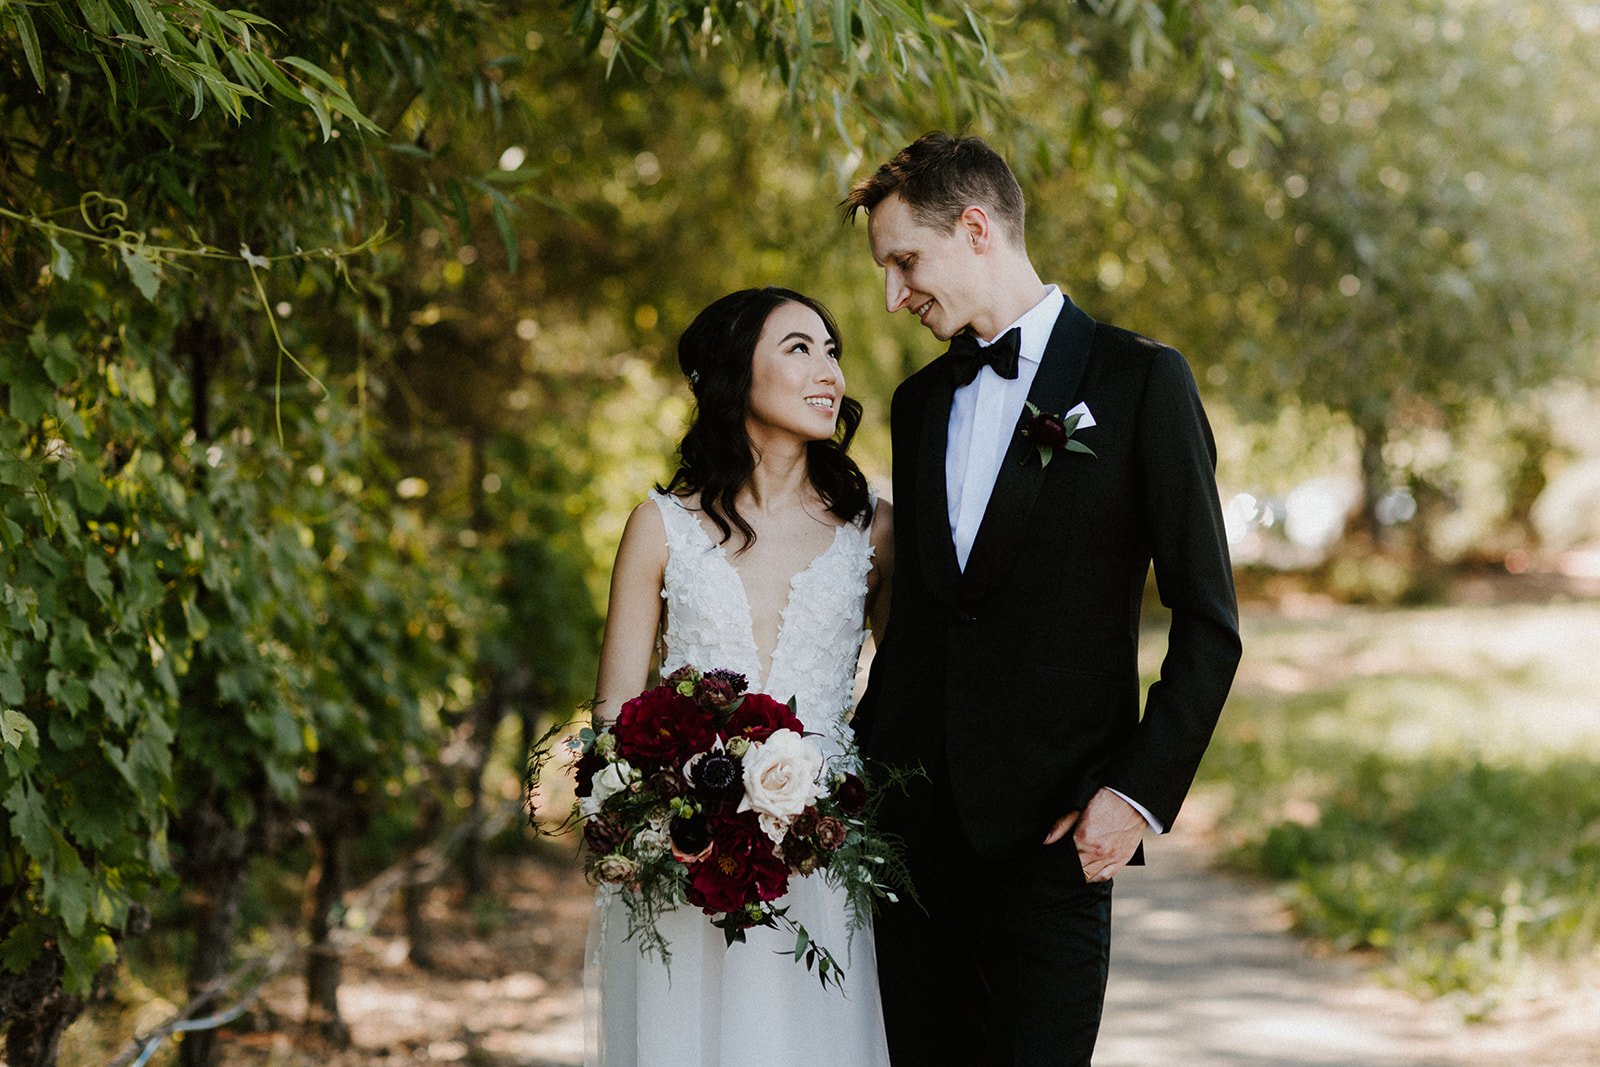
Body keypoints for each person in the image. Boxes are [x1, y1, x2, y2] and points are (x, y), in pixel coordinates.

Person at [844, 133, 1242, 1064]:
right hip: (911, 844)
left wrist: (1137, 793)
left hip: (1057, 840)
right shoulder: (917, 402)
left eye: (905, 261)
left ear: (975, 227)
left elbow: (1209, 620)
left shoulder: (1143, 380)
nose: (894, 295)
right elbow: (925, 620)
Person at [585, 286, 895, 1065]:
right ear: (735, 374)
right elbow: (612, 715)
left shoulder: (875, 530)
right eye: (799, 348)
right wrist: (680, 807)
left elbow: (907, 696)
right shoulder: (660, 526)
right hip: (684, 866)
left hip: (822, 864)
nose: (828, 371)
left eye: (832, 351)